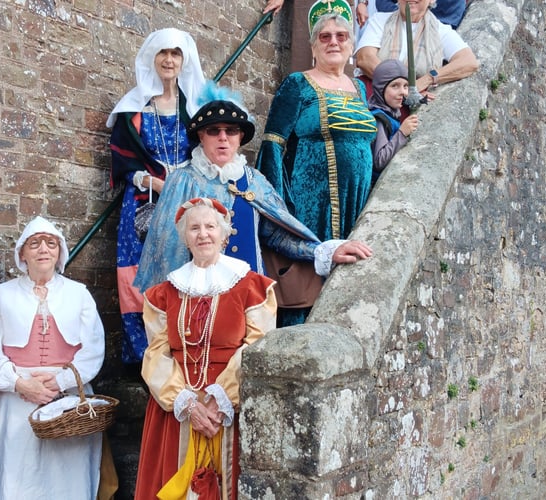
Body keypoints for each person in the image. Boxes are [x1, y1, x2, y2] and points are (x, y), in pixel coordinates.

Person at [134, 91, 372, 326]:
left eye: (231, 131)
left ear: (240, 138)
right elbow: (165, 247)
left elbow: (279, 234)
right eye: (214, 131)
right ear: (201, 137)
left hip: (250, 296)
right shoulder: (182, 180)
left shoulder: (255, 180)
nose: (223, 138)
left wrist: (325, 251)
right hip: (198, 298)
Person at [134, 197, 277, 500]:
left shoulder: (252, 288)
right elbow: (155, 353)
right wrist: (185, 403)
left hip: (230, 411)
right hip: (177, 413)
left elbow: (258, 347)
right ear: (184, 237)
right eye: (194, 228)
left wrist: (220, 400)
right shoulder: (163, 294)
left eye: (210, 227)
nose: (203, 234)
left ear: (225, 234)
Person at [0, 216, 106, 499]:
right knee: (18, 476)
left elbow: (94, 349)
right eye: (34, 243)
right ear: (22, 253)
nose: (43, 249)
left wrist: (60, 382)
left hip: (68, 400)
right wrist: (19, 384)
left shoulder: (79, 294)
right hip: (17, 400)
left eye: (50, 243)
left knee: (67, 478)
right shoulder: (1, 295)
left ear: (59, 251)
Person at [108, 28, 205, 364]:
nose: (169, 60)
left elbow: (206, 153)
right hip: (143, 197)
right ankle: (145, 357)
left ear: (184, 60)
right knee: (137, 274)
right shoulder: (134, 108)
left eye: (175, 53)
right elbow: (123, 160)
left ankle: (186, 349)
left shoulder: (194, 108)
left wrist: (181, 189)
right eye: (163, 53)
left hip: (187, 199)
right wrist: (153, 183)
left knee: (187, 268)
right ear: (152, 58)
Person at [257, 14, 377, 245]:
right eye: (325, 37)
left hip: (358, 194)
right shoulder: (297, 83)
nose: (333, 41)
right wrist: (277, 205)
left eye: (341, 36)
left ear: (351, 46)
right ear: (314, 47)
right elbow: (272, 143)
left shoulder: (359, 87)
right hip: (314, 198)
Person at [355, 0, 478, 94]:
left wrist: (427, 80)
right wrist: (404, 86)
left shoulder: (441, 31)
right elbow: (365, 59)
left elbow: (468, 62)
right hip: (372, 94)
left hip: (410, 108)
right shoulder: (380, 20)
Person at [369, 59, 419, 184]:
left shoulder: (390, 113)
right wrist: (402, 133)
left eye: (405, 86)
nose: (403, 92)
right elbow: (379, 161)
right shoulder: (379, 119)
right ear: (380, 89)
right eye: (395, 86)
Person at [375, 0, 467, 29]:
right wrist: (405, 12)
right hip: (398, 23)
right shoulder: (377, 20)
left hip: (435, 30)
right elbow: (382, 2)